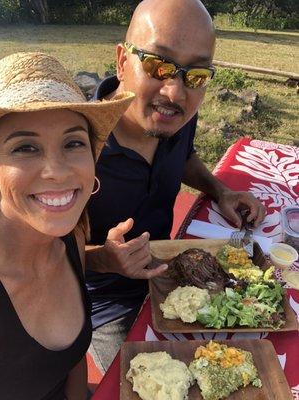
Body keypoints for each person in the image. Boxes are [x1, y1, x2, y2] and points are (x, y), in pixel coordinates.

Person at [86, 0, 266, 372]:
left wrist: (220, 190)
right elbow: (33, 251)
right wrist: (102, 258)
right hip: (105, 303)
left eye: (195, 76)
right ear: (122, 61)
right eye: (158, 65)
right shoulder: (77, 145)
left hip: (169, 270)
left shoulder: (174, 120)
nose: (175, 93)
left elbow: (182, 158)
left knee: (258, 332)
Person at [0, 51, 133, 400]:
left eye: (73, 142)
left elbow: (72, 363)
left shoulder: (71, 240)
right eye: (25, 148)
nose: (57, 171)